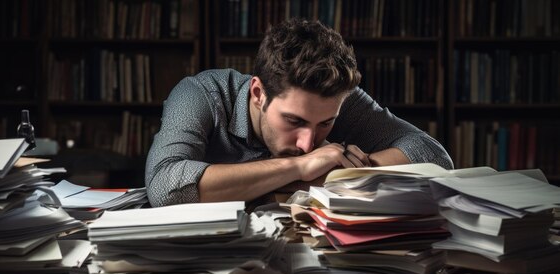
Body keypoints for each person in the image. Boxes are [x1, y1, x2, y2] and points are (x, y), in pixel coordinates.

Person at [145, 18, 453, 207]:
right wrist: (301, 168)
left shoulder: (340, 98)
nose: (307, 141)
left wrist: (342, 174)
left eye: (325, 124)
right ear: (257, 94)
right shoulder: (200, 93)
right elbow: (164, 187)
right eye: (294, 121)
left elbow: (433, 155)